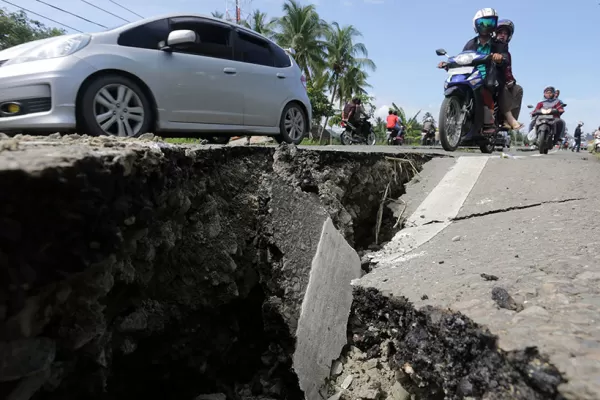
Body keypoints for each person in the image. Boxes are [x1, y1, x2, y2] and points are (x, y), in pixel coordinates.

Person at [438, 8, 508, 134]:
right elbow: (463, 57)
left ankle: (488, 121)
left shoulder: (498, 44)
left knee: (486, 88)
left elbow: (505, 57)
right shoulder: (471, 43)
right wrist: (448, 63)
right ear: (476, 25)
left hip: (489, 73)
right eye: (483, 23)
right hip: (471, 72)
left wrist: (499, 57)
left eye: (490, 23)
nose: (486, 26)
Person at [494, 19, 524, 130]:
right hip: (489, 78)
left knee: (518, 89)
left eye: (505, 34)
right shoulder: (490, 44)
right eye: (500, 33)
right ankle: (509, 117)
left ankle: (508, 121)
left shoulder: (506, 51)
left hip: (501, 79)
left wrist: (512, 80)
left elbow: (507, 70)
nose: (503, 35)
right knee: (503, 87)